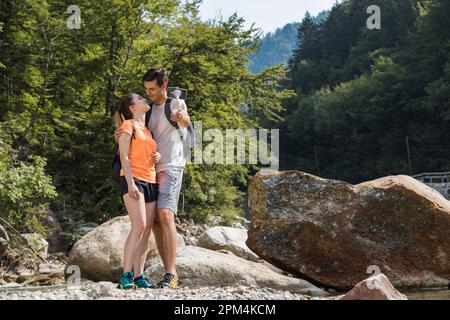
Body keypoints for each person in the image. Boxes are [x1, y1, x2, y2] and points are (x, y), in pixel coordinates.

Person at [115, 68, 191, 289]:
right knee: (153, 222)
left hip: (172, 166)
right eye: (145, 89)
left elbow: (185, 121)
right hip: (148, 172)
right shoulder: (146, 112)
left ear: (163, 86)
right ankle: (138, 276)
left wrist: (181, 118)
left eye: (152, 89)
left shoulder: (175, 104)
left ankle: (171, 274)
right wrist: (120, 134)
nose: (148, 93)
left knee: (165, 215)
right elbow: (131, 128)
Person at [114, 93, 161, 290]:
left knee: (146, 229)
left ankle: (140, 276)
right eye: (141, 99)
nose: (145, 100)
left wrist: (156, 155)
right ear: (133, 108)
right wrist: (131, 183)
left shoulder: (147, 131)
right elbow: (124, 156)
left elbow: (144, 152)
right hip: (134, 180)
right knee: (139, 225)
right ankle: (126, 275)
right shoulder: (128, 126)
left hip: (151, 180)